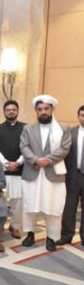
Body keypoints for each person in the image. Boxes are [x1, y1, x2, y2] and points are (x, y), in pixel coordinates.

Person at [20, 95, 71, 251]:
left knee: (53, 206)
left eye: (46, 109)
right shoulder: (28, 128)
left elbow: (65, 148)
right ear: (36, 111)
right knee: (30, 204)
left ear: (52, 109)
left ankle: (51, 237)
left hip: (53, 172)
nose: (43, 112)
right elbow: (24, 146)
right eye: (40, 109)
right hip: (33, 172)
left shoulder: (63, 128)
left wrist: (47, 160)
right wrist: (36, 160)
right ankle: (30, 234)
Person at [0, 100, 26, 239]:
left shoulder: (25, 128)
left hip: (20, 171)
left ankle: (16, 226)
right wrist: (6, 163)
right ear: (4, 112)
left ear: (17, 111)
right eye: (8, 110)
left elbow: (27, 148)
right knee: (2, 201)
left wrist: (18, 162)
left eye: (13, 109)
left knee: (18, 202)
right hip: (2, 171)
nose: (11, 112)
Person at [58, 105, 84, 246]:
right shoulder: (70, 133)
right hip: (73, 175)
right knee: (69, 208)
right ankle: (66, 236)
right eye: (82, 115)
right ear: (78, 116)